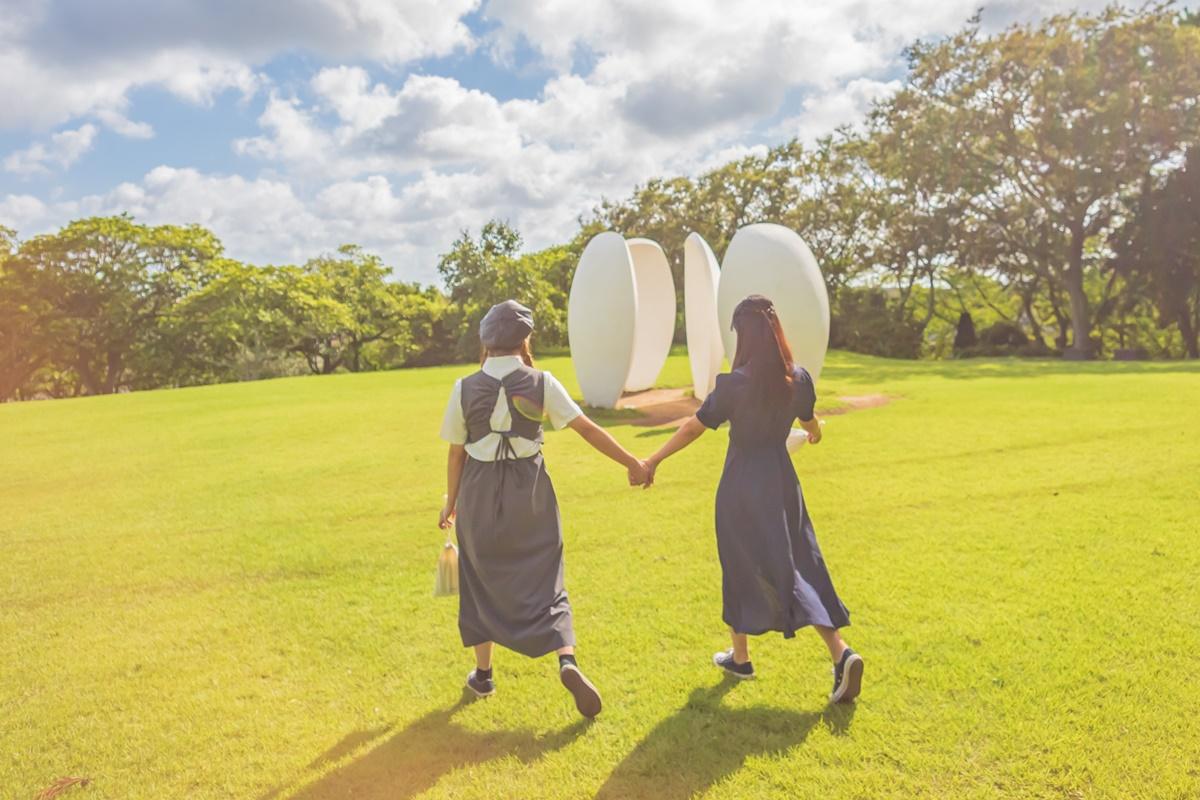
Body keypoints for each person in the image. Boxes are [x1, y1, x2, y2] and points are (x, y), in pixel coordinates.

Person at [644, 294, 863, 703]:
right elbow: (811, 424)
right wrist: (815, 434)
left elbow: (694, 427)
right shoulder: (797, 379)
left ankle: (742, 658)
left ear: (743, 336)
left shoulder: (734, 384)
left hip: (742, 484)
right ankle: (839, 652)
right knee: (801, 563)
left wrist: (654, 459)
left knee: (740, 564)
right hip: (782, 483)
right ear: (776, 331)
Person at [438, 299, 651, 719]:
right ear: (524, 340)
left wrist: (451, 502)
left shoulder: (463, 388)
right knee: (546, 577)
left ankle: (483, 676)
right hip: (530, 491)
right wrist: (633, 463)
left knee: (482, 582)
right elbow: (587, 428)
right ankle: (566, 661)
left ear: (486, 341)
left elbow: (455, 455)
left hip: (479, 493)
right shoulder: (541, 381)